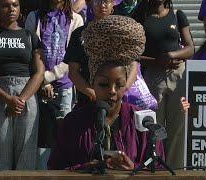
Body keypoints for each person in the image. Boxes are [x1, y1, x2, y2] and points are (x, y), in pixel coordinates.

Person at [48, 15, 164, 170]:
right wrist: (86, 168)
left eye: (119, 85)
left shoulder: (143, 123)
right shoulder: (73, 123)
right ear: (92, 84)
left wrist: (135, 168)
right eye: (103, 84)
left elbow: (157, 167)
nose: (112, 91)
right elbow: (55, 168)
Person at [0, 0, 44, 170]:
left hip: (27, 94)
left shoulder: (30, 36)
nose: (11, 9)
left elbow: (39, 72)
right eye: (5, 5)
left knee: (26, 155)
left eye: (15, 5)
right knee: (0, 155)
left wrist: (20, 99)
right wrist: (7, 99)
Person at [132, 0, 194, 169]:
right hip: (152, 74)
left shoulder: (178, 14)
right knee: (154, 126)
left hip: (178, 74)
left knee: (179, 123)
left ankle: (175, 169)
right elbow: (134, 53)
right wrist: (157, 61)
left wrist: (172, 54)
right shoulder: (139, 15)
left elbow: (190, 48)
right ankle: (155, 168)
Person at [25, 0, 83, 170]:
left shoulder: (76, 19)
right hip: (37, 84)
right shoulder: (34, 17)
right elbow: (31, 52)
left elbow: (71, 57)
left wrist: (48, 77)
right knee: (39, 133)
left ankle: (62, 170)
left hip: (64, 85)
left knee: (64, 131)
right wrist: (42, 81)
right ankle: (41, 170)